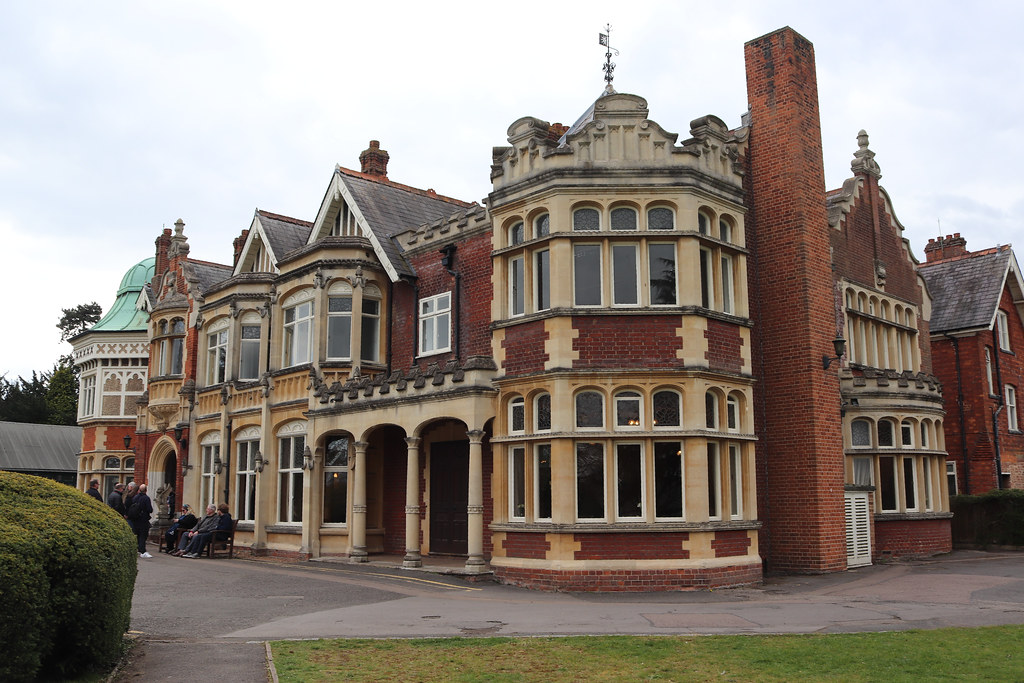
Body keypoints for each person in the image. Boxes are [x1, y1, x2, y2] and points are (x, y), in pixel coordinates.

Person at [126, 483, 154, 558]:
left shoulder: (135, 497)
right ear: (146, 490)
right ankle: (142, 551)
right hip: (143, 519)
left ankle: (137, 549)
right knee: (143, 535)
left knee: (137, 534)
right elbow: (150, 509)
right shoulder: (146, 498)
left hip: (135, 519)